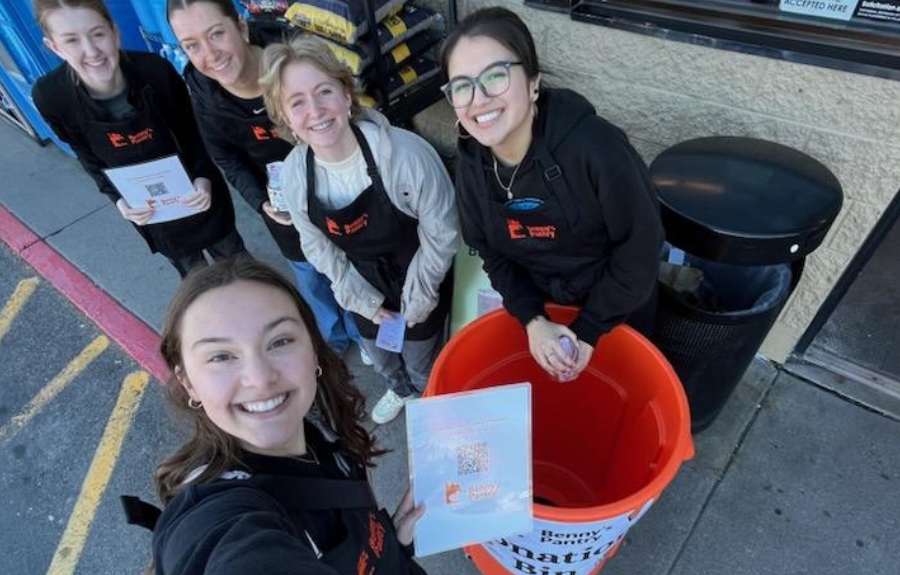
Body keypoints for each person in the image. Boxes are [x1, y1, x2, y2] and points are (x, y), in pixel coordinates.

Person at [152, 256, 440, 575]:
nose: (260, 379)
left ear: (313, 349)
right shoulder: (216, 515)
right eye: (220, 356)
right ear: (188, 383)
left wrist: (390, 543)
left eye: (279, 341)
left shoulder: (322, 434)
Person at [440, 7, 663, 382]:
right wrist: (532, 318)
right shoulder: (472, 165)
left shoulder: (595, 148)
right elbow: (491, 253)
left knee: (616, 391)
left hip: (616, 310)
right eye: (462, 85)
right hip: (542, 310)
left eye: (495, 76)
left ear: (532, 82)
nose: (478, 99)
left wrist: (591, 328)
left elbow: (640, 248)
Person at [260, 36, 459, 425]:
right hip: (362, 284)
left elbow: (443, 231)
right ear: (285, 118)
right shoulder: (295, 176)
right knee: (382, 356)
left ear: (347, 96)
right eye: (297, 101)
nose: (315, 110)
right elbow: (317, 246)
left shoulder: (405, 155)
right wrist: (362, 301)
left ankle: (427, 401)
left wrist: (419, 298)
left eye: (324, 92)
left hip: (418, 277)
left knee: (422, 360)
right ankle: (400, 390)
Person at [166, 0, 367, 358]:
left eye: (217, 34)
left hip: (333, 186)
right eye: (191, 45)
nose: (210, 55)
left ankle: (363, 330)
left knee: (350, 262)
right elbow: (227, 158)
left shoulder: (291, 57)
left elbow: (344, 103)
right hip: (282, 206)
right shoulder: (203, 95)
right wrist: (261, 202)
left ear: (241, 28)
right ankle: (332, 336)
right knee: (309, 274)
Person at [32, 0, 246, 278]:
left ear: (115, 33)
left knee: (237, 263)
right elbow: (87, 155)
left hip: (198, 191)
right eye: (71, 40)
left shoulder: (156, 72)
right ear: (54, 47)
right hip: (153, 214)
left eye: (98, 34)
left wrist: (204, 176)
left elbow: (193, 132)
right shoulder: (51, 97)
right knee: (196, 278)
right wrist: (119, 200)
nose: (91, 51)